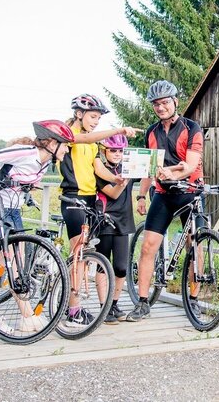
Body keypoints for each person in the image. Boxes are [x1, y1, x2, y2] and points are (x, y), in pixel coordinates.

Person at [0, 120, 75, 333]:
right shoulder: (24, 152)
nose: (67, 149)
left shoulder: (45, 162)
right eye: (65, 144)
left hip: (13, 210)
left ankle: (26, 316)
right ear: (51, 143)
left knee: (18, 264)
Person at [59, 93, 139, 326]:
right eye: (93, 117)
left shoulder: (92, 142)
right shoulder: (68, 135)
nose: (95, 122)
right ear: (79, 113)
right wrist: (118, 131)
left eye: (98, 119)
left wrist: (117, 180)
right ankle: (73, 311)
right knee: (78, 257)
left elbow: (98, 170)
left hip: (89, 200)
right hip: (72, 198)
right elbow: (84, 139)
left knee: (82, 257)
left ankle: (75, 308)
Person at [128, 80, 204, 322]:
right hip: (162, 194)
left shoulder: (192, 128)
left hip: (190, 191)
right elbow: (148, 168)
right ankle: (142, 302)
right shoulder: (151, 132)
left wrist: (174, 172)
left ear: (175, 102)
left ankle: (194, 299)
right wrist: (141, 195)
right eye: (156, 104)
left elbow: (190, 165)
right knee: (148, 245)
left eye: (164, 103)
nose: (160, 107)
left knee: (196, 245)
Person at [95, 133, 136, 324]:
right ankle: (104, 306)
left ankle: (114, 303)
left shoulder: (127, 166)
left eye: (120, 150)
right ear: (105, 151)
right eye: (113, 150)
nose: (117, 154)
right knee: (103, 265)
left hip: (124, 219)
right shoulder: (100, 170)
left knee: (121, 267)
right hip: (106, 220)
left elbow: (147, 176)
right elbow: (111, 193)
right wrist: (123, 181)